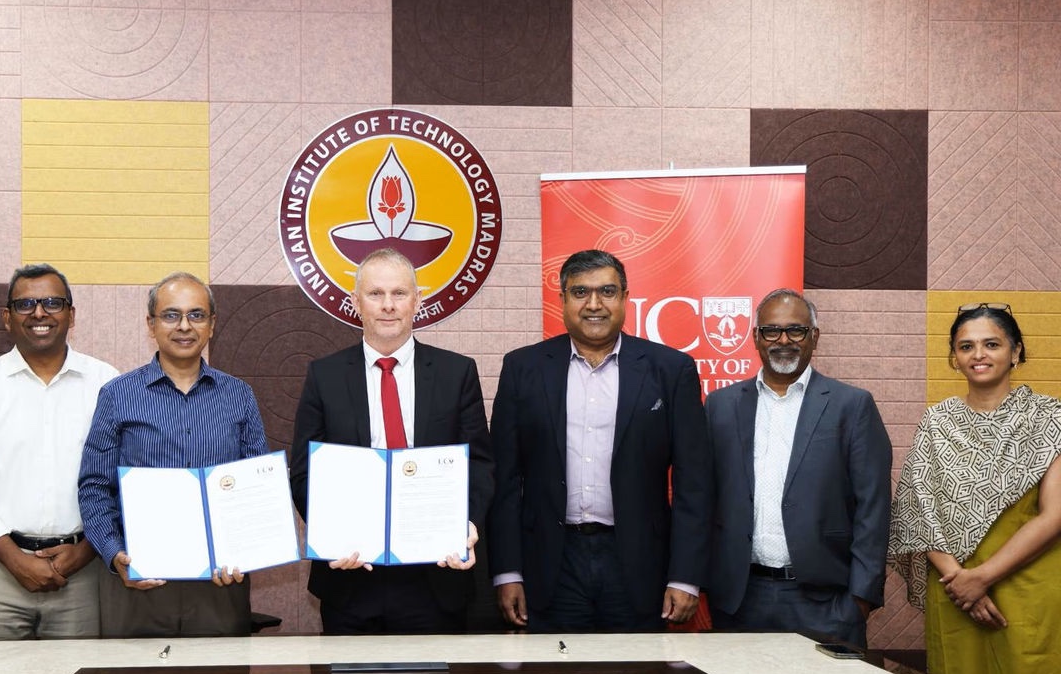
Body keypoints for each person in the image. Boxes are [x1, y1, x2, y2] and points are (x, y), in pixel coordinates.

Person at [487, 249, 711, 632]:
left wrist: (685, 576)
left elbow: (695, 482)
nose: (594, 304)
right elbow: (504, 480)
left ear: (625, 298)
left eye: (607, 291)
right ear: (562, 300)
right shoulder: (523, 368)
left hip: (639, 563)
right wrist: (507, 572)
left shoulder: (671, 370)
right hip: (550, 564)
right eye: (580, 293)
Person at [289, 248, 493, 634]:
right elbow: (303, 474)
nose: (388, 306)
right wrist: (331, 535)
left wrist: (466, 523)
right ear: (355, 303)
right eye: (375, 293)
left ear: (418, 300)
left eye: (399, 293)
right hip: (351, 577)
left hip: (436, 576)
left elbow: (480, 464)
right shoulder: (324, 376)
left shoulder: (457, 372)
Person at [77, 272, 268, 637]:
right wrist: (115, 554)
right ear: (151, 324)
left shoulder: (239, 395)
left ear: (212, 325)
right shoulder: (117, 395)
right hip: (140, 582)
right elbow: (94, 488)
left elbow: (255, 488)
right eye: (171, 315)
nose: (184, 326)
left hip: (220, 584)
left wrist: (247, 552)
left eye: (197, 315)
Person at [705, 288, 892, 647]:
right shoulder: (720, 405)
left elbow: (874, 506)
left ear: (814, 337)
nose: (784, 340)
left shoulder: (851, 406)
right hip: (740, 600)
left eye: (796, 330)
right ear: (756, 338)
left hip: (826, 602)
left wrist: (860, 600)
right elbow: (701, 496)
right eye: (772, 330)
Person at [0, 264, 119, 639]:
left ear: (72, 314)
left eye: (53, 303)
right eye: (25, 304)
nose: (39, 313)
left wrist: (86, 551)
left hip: (82, 570)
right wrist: (14, 559)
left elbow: (122, 478)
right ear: (7, 317)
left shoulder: (107, 383)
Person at [889, 302, 1061, 674]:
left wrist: (982, 577)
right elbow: (918, 510)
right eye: (966, 347)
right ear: (954, 357)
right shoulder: (937, 422)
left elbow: (1055, 514)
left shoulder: (1050, 418)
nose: (978, 355)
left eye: (992, 344)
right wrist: (960, 580)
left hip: (1029, 585)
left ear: (1016, 352)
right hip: (955, 590)